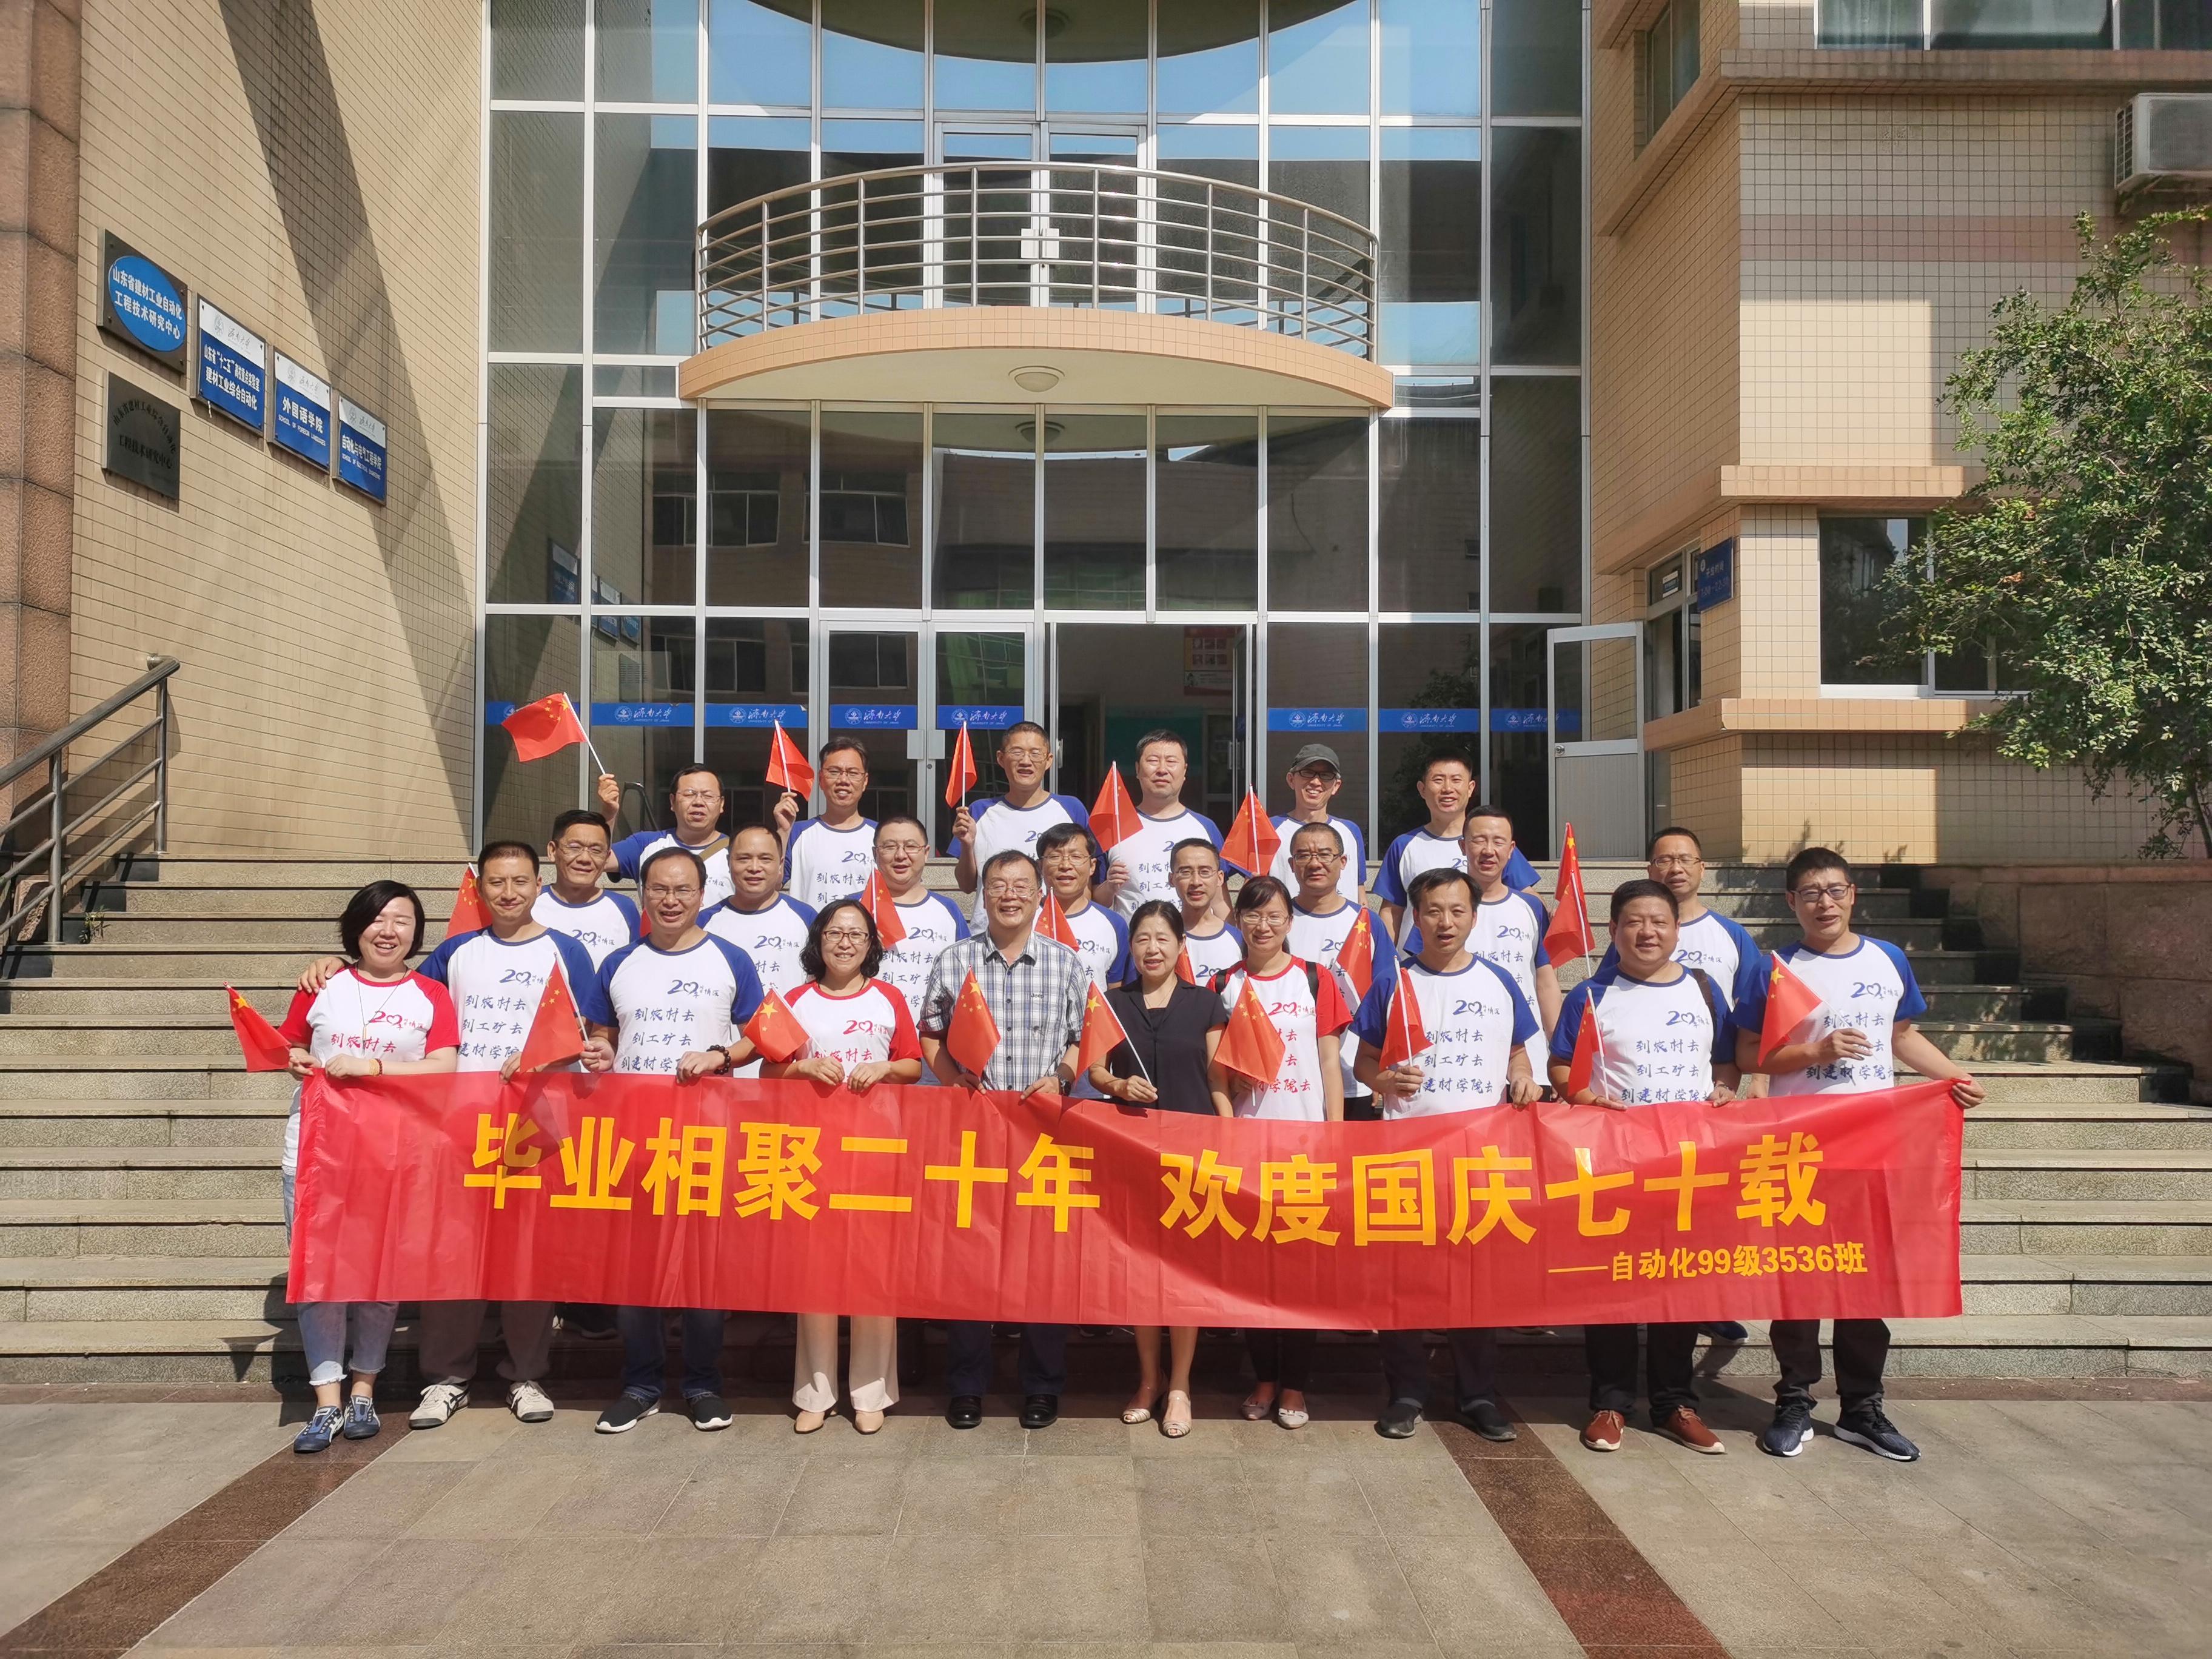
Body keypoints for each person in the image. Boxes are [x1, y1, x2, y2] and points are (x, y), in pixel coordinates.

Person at [1735, 846, 1984, 1464]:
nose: (1824, 903)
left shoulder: (1887, 958)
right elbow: (1748, 1055)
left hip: (1874, 1147)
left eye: (1835, 890)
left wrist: (1954, 1076)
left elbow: (1902, 1036)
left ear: (1852, 895)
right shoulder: (1774, 968)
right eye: (1810, 893)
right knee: (1799, 1281)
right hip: (1800, 1149)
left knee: (1866, 1282)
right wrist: (1816, 1053)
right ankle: (1795, 1400)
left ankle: (1861, 1408)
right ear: (1791, 902)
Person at [406, 842, 611, 1430]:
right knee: (455, 1253)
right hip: (462, 1127)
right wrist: (332, 970)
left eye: (520, 881)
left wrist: (559, 1054)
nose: (508, 893)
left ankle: (526, 1373)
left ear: (538, 885)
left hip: (538, 1125)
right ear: (481, 889)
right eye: (496, 882)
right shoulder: (456, 952)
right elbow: (409, 1008)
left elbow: (593, 1031)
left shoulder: (566, 950)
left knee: (528, 1255)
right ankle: (446, 1378)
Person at [1550, 879, 1741, 1457]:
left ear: (1677, 929)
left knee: (1677, 1286)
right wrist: (1585, 1098)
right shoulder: (1591, 995)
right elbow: (1561, 1068)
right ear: (1613, 931)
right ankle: (1609, 1404)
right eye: (1634, 922)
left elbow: (1727, 1062)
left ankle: (1674, 1404)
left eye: (1659, 921)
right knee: (1611, 1286)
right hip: (1615, 1166)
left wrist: (1726, 1089)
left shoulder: (1704, 990)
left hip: (1690, 1166)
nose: (1647, 932)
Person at [1355, 868, 1541, 1443]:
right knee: (1404, 1280)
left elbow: (1518, 1052)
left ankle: (1478, 1395)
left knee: (1475, 1284)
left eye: (1458, 911)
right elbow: (1363, 1062)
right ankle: (1406, 1393)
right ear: (1416, 917)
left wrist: (1522, 1077)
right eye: (1434, 911)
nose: (1446, 922)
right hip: (1405, 1157)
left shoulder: (1499, 981)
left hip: (1480, 1161)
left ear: (1474, 917)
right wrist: (1384, 1081)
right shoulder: (1393, 981)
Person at [583, 846, 765, 1434]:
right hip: (633, 1137)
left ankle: (703, 1384)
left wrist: (719, 1056)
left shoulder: (730, 958)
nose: (670, 900)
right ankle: (640, 1384)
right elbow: (604, 1035)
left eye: (683, 890)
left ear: (702, 895)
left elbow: (761, 1036)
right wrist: (600, 1052)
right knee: (635, 1269)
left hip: (708, 1136)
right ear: (643, 895)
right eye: (659, 889)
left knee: (702, 1269)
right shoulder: (619, 962)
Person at [274, 882, 458, 1452]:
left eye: (402, 920)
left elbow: (445, 1066)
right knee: (319, 1277)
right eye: (378, 918)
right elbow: (287, 1045)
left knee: (381, 1277)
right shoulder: (322, 985)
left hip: (394, 1154)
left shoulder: (430, 994)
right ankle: (326, 1401)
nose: (388, 930)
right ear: (356, 926)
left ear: (416, 933)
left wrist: (373, 1067)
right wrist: (296, 1058)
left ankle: (363, 1390)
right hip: (316, 1152)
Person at [918, 850, 1090, 1430]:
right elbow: (930, 1032)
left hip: (1044, 1137)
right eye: (998, 885)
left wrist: (1062, 1077)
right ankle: (967, 1385)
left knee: (1044, 1262)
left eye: (1021, 886)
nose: (1009, 895)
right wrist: (952, 1080)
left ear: (1040, 896)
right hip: (977, 1134)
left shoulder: (1065, 963)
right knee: (973, 1259)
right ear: (982, 894)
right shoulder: (955, 960)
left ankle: (1042, 1385)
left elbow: (1080, 1037)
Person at [1599, 825, 1766, 1343]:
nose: (1675, 868)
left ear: (1701, 868)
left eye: (1686, 859)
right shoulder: (1623, 950)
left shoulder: (1730, 938)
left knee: (1698, 1226)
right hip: (1631, 1122)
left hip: (1700, 1106)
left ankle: (1706, 1308)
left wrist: (1743, 1082)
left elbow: (1751, 1022)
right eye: (1664, 859)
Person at [762, 899, 923, 1435]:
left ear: (871, 945)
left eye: (856, 934)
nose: (845, 942)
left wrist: (884, 1068)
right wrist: (803, 1067)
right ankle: (816, 1391)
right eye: (835, 933)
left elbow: (913, 1064)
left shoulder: (889, 998)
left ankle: (871, 1392)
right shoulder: (795, 1000)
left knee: (873, 1272)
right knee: (816, 1273)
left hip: (875, 1152)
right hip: (810, 1152)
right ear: (819, 941)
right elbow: (769, 1071)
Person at [1207, 876, 1350, 1431]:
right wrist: (1231, 1109)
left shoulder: (1315, 978)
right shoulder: (1224, 984)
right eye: (1252, 915)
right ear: (1238, 920)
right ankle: (1264, 1378)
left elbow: (1330, 1063)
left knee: (1301, 1274)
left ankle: (1295, 1386)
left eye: (1274, 916)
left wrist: (1335, 1135)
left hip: (1307, 1148)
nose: (1262, 926)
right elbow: (1216, 1072)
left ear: (1290, 922)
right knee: (1256, 1275)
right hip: (1250, 1148)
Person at [1088, 900, 1227, 1440]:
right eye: (1143, 939)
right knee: (1142, 1273)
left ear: (1181, 945)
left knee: (1185, 1274)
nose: (1152, 948)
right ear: (1132, 947)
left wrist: (1230, 1138)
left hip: (1194, 1155)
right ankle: (1149, 1380)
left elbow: (1218, 1079)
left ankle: (1181, 1386)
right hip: (1132, 1153)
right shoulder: (1113, 1002)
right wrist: (1119, 1086)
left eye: (1163, 938)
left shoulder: (1207, 1003)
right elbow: (1095, 1070)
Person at [1282, 822, 1380, 1122]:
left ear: (1343, 862)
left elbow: (1385, 1001)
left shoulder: (1366, 923)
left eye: (1325, 854)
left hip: (1354, 1078)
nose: (1315, 864)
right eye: (1304, 856)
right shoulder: (1275, 923)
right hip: (1289, 1083)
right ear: (1292, 865)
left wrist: (1380, 1070)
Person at [700, 823, 817, 1073]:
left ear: (780, 864)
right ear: (729, 862)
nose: (754, 867)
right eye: (744, 859)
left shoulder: (807, 918)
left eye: (765, 859)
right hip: (723, 1065)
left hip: (787, 1069)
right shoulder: (703, 923)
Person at [1460, 806, 1563, 1079]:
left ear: (1511, 850)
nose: (1488, 850)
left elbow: (1545, 983)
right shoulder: (1443, 908)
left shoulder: (1531, 907)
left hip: (1531, 1059)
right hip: (1463, 1055)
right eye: (1479, 840)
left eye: (1498, 842)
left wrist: (1561, 1053)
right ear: (1463, 846)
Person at [949, 721, 1090, 918]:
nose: (1026, 761)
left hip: (1053, 930)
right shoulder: (979, 811)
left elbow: (1086, 883)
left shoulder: (1072, 809)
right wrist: (967, 845)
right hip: (992, 929)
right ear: (1001, 758)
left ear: (1049, 760)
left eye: (1035, 753)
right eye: (1017, 752)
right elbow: (966, 885)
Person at [854, 813, 970, 1030]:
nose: (901, 855)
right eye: (890, 847)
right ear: (875, 854)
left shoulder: (948, 911)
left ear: (926, 853)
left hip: (931, 1039)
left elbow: (965, 979)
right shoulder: (852, 909)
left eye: (911, 847)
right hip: (864, 1035)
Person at [1098, 729, 1223, 914]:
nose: (1162, 770)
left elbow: (1219, 902)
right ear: (1138, 769)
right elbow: (1093, 900)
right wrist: (1109, 887)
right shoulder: (1113, 827)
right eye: (1153, 761)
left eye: (1171, 762)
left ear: (1185, 771)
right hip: (1132, 933)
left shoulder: (1206, 828)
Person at [598, 761, 736, 910]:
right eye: (689, 794)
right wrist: (609, 814)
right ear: (673, 801)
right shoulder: (644, 844)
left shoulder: (737, 853)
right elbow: (600, 860)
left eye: (708, 796)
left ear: (721, 804)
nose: (698, 802)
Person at [1374, 752, 1476, 941]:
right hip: (1414, 958)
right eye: (1438, 780)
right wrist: (1387, 956)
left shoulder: (1490, 843)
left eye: (1456, 780)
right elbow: (1391, 912)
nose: (1448, 789)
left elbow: (1521, 896)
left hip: (1474, 957)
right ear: (1422, 789)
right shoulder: (1403, 845)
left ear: (1470, 788)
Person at [778, 738, 877, 911]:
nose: (843, 780)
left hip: (863, 929)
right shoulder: (797, 832)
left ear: (865, 781)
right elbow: (773, 884)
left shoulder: (881, 835)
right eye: (834, 772)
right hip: (812, 928)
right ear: (821, 779)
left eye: (853, 773)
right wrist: (783, 831)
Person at [535, 809, 642, 967]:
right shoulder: (530, 904)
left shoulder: (624, 908)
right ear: (552, 851)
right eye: (574, 848)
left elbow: (636, 967)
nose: (585, 859)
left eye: (596, 850)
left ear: (607, 858)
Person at [1037, 821, 1129, 988]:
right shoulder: (1024, 918)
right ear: (1040, 866)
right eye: (1055, 857)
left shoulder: (1115, 924)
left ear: (1092, 866)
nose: (1065, 866)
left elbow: (1116, 993)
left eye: (1076, 857)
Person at [1269, 743, 1366, 902]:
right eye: (1307, 772)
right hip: (1288, 918)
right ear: (1291, 780)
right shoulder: (1269, 829)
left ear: (1336, 786)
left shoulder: (1351, 831)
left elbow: (1359, 890)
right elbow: (1253, 889)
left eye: (1326, 775)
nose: (1315, 781)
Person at [1170, 837, 1243, 980]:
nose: (1196, 882)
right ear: (1172, 879)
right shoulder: (1163, 938)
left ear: (1220, 878)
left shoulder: (1239, 939)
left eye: (1205, 872)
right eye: (1186, 872)